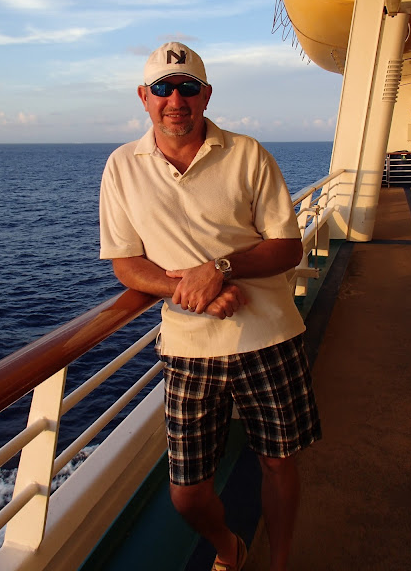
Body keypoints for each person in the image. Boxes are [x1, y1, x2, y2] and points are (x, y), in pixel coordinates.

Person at [99, 42, 321, 571]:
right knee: (187, 493)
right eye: (162, 88)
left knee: (277, 461)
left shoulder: (247, 153)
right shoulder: (121, 167)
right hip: (188, 347)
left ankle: (280, 562)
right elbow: (126, 263)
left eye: (187, 87)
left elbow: (288, 245)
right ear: (143, 98)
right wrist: (192, 291)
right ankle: (230, 547)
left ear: (206, 95)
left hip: (267, 335)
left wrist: (219, 268)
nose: (175, 99)